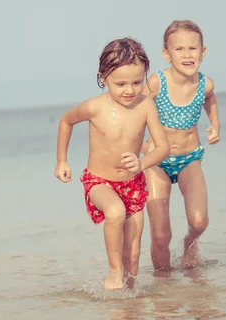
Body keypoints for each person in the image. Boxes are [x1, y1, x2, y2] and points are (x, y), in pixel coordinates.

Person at [54, 37, 170, 290]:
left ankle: (127, 305)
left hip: (134, 183)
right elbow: (66, 121)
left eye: (137, 82)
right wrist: (61, 160)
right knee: (115, 212)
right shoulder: (94, 107)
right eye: (120, 84)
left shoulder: (146, 106)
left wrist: (142, 163)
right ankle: (113, 270)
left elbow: (163, 148)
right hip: (100, 182)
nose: (129, 90)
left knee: (134, 254)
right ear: (103, 78)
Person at [142, 20, 220, 270]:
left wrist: (215, 124)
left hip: (189, 158)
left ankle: (190, 244)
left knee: (199, 221)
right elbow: (136, 111)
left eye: (193, 49)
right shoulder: (156, 82)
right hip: (156, 162)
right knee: (161, 235)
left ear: (203, 52)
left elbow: (210, 98)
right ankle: (164, 286)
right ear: (166, 54)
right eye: (179, 49)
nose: (187, 54)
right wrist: (140, 147)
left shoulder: (205, 84)